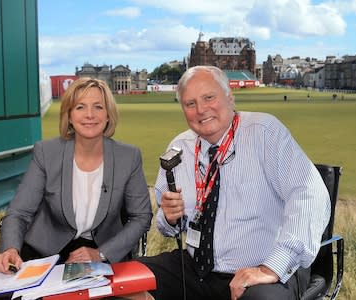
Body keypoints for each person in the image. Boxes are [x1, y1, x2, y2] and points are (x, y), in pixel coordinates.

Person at [137, 66, 331, 300]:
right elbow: (167, 227)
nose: (201, 110)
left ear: (230, 97)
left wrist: (272, 267)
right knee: (120, 282)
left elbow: (310, 194)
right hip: (195, 269)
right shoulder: (179, 148)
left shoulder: (264, 132)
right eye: (190, 104)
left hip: (261, 270)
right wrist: (169, 217)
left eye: (209, 97)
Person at [0, 77, 152, 273]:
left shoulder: (129, 156)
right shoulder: (46, 152)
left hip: (101, 252)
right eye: (80, 107)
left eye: (98, 107)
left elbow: (141, 217)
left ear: (108, 115)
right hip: (45, 252)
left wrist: (101, 253)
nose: (89, 115)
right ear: (69, 115)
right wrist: (10, 248)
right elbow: (19, 212)